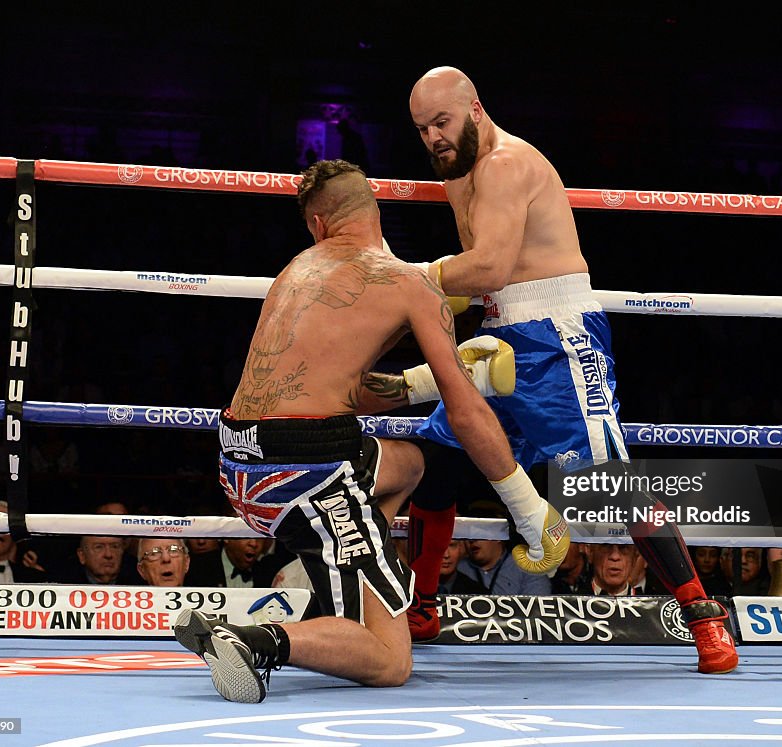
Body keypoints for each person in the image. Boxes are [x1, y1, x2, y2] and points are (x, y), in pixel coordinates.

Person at [172, 159, 568, 703]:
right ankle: (252, 640)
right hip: (307, 474)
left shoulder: (296, 271)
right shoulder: (409, 282)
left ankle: (342, 581)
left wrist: (421, 384)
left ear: (316, 225)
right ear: (375, 209)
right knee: (390, 662)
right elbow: (469, 413)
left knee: (412, 463)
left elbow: (336, 388)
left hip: (237, 461)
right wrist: (526, 505)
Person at [403, 66, 737, 673]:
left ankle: (704, 616)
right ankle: (421, 607)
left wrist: (399, 281)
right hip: (498, 333)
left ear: (475, 109)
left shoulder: (505, 163)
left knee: (609, 483)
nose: (432, 138)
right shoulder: (457, 169)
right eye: (422, 129)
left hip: (555, 333)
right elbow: (475, 280)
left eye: (442, 122)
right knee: (441, 463)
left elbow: (490, 267)